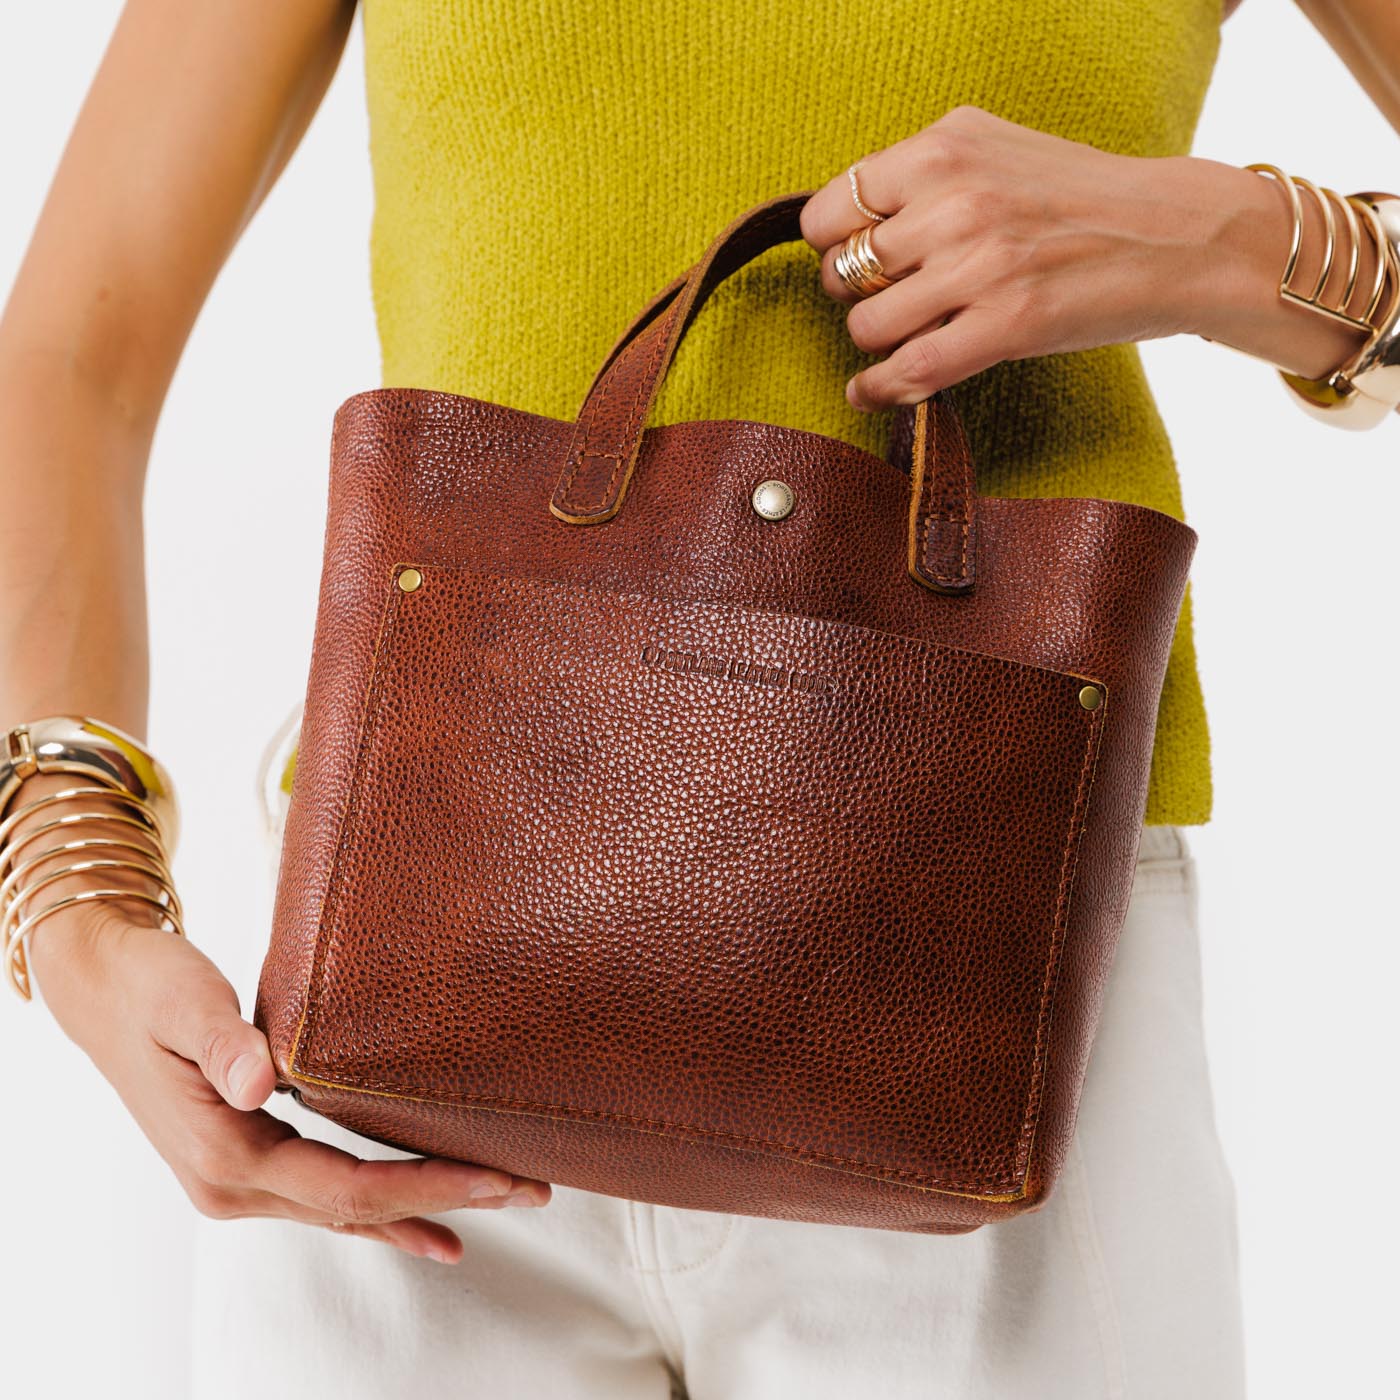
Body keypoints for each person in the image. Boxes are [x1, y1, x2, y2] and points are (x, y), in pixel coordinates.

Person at [2, 0, 1396, 1396]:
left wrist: (1228, 241)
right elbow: (70, 354)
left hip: (989, 961)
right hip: (409, 963)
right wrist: (73, 892)